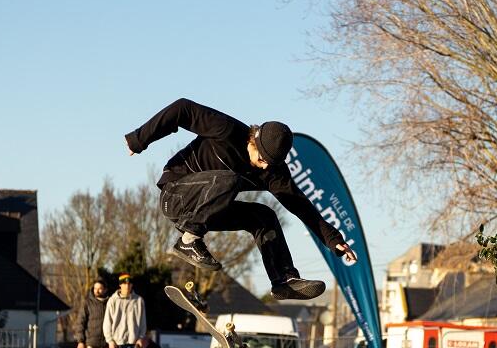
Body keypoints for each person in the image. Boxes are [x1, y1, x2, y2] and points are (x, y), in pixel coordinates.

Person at [124, 98, 357, 300]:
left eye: (270, 164)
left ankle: (284, 280)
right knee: (231, 180)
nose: (264, 166)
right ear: (253, 141)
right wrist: (139, 139)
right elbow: (182, 109)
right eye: (261, 158)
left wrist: (332, 237)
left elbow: (299, 203)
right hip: (175, 194)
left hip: (208, 210)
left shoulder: (272, 172)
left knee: (264, 216)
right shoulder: (226, 130)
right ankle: (188, 240)